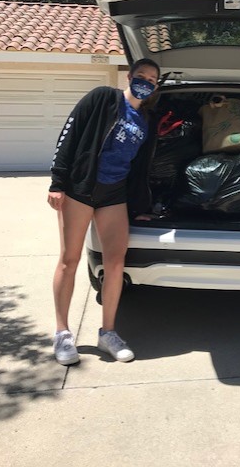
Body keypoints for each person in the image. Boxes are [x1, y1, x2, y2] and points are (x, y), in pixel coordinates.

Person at [48, 58, 160, 365]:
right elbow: (69, 135)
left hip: (114, 194)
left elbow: (139, 168)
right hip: (80, 188)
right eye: (141, 75)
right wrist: (57, 182)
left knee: (115, 263)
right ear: (130, 76)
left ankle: (108, 332)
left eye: (152, 79)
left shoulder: (145, 120)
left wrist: (140, 207)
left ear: (155, 87)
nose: (146, 81)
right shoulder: (102, 98)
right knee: (69, 260)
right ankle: (62, 333)